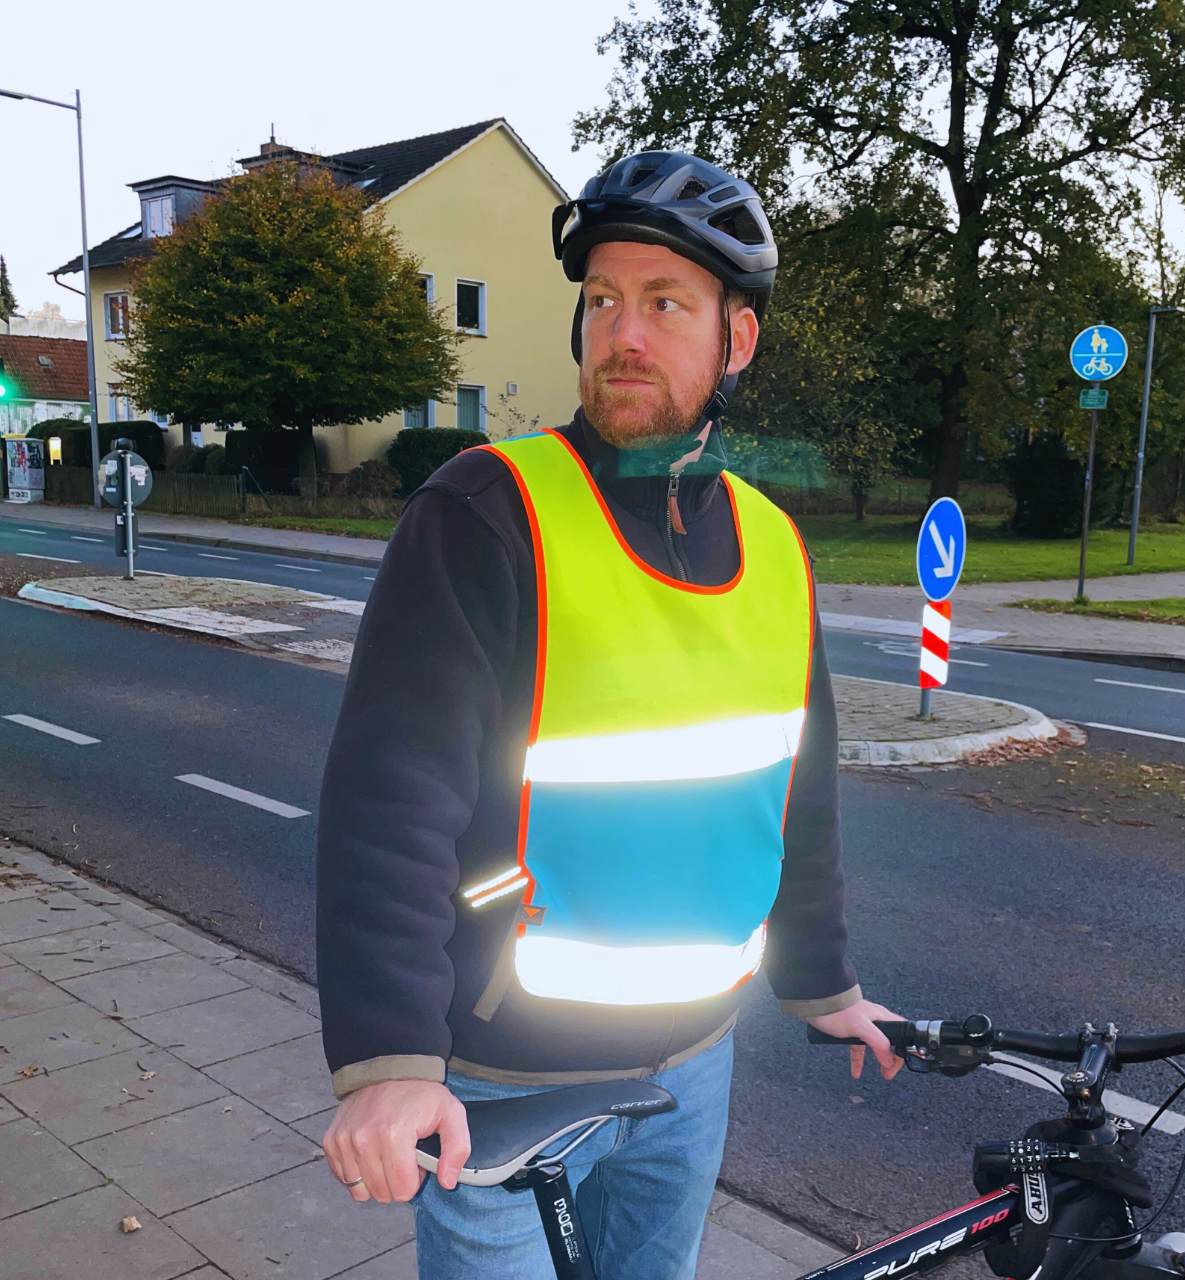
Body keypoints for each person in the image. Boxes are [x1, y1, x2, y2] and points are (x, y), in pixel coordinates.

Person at [315, 151, 903, 1280]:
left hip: (694, 1063)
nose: (620, 332)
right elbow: (388, 799)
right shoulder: (490, 511)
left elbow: (797, 788)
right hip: (501, 1079)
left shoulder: (775, 547)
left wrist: (819, 983)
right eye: (600, 301)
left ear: (736, 340)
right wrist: (391, 1059)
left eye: (663, 302)